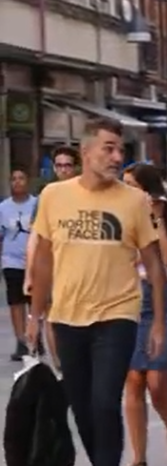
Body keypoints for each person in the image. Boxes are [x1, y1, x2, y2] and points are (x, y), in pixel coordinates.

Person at [28, 118, 167, 466]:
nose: (117, 156)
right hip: (68, 317)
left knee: (105, 402)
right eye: (108, 148)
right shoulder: (54, 196)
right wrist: (37, 317)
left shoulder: (134, 201)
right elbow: (45, 259)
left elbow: (156, 264)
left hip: (118, 314)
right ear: (86, 152)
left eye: (119, 149)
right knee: (82, 408)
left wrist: (158, 320)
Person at [119, 164, 167, 466]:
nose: (127, 190)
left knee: (156, 382)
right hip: (127, 305)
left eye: (133, 185)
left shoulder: (164, 218)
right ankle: (139, 459)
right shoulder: (118, 215)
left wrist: (157, 215)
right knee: (133, 381)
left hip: (159, 305)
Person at [25, 145, 78, 367]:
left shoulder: (83, 193)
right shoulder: (46, 197)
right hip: (52, 264)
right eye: (59, 165)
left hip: (77, 265)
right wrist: (30, 274)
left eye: (68, 165)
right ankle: (60, 366)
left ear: (75, 167)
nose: (63, 170)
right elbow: (35, 238)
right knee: (50, 314)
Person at [0, 168, 36, 360]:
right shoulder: (3, 208)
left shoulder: (36, 204)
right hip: (11, 261)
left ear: (27, 181)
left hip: (33, 261)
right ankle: (21, 340)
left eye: (21, 178)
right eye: (14, 179)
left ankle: (35, 337)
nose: (17, 182)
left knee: (35, 302)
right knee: (16, 302)